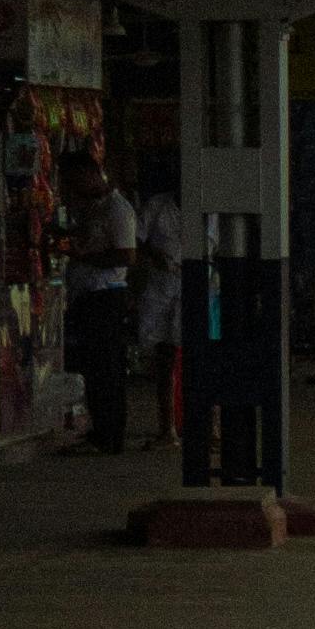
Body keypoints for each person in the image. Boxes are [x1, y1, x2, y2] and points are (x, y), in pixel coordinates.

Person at [57, 149, 138, 456]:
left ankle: (111, 432)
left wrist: (86, 257)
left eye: (74, 179)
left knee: (107, 367)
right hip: (90, 295)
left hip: (106, 296)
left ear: (90, 173)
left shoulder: (118, 209)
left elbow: (126, 255)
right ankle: (102, 429)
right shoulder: (94, 208)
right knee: (95, 366)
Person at [131, 169, 186, 447]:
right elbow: (136, 239)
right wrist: (155, 256)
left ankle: (210, 428)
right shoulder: (157, 206)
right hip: (161, 286)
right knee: (163, 358)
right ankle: (167, 428)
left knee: (200, 358)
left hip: (198, 286)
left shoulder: (208, 209)